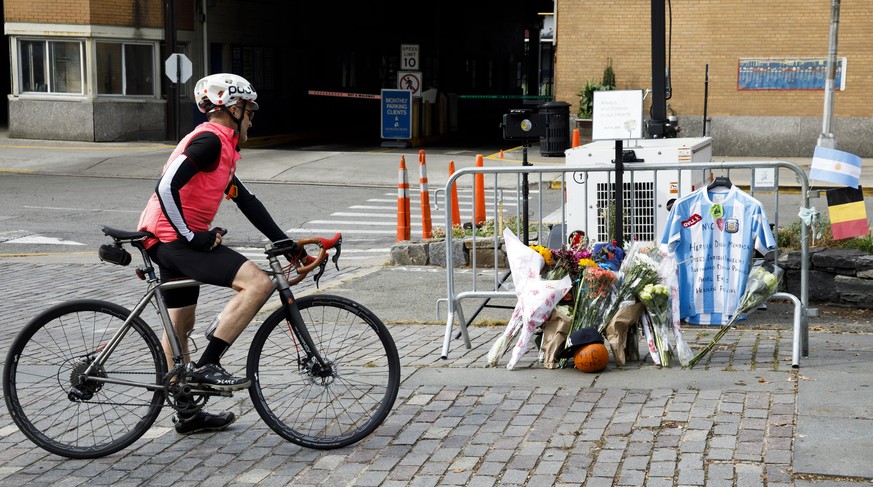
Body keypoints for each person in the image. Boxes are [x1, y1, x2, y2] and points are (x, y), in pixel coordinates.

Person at [137, 73, 300, 434]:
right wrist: (192, 236)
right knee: (258, 284)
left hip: (167, 240)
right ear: (233, 107)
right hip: (174, 240)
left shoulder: (221, 147)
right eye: (250, 109)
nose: (253, 118)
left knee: (180, 325)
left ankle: (187, 412)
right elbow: (165, 186)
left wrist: (285, 242)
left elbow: (246, 202)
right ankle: (209, 365)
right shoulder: (210, 141)